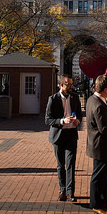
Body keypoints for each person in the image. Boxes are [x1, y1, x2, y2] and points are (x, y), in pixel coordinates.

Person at [86, 75, 107, 214]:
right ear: (105, 89)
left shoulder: (93, 100)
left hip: (102, 145)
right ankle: (96, 204)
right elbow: (104, 129)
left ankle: (103, 199)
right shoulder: (98, 105)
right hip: (101, 146)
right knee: (99, 176)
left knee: (105, 175)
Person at [45, 75, 83, 203]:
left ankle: (70, 192)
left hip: (71, 135)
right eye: (68, 84)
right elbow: (47, 119)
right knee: (61, 165)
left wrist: (77, 120)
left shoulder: (75, 97)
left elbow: (79, 113)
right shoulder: (53, 99)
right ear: (61, 85)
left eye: (71, 84)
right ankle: (62, 190)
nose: (70, 87)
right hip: (58, 136)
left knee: (71, 164)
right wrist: (62, 121)